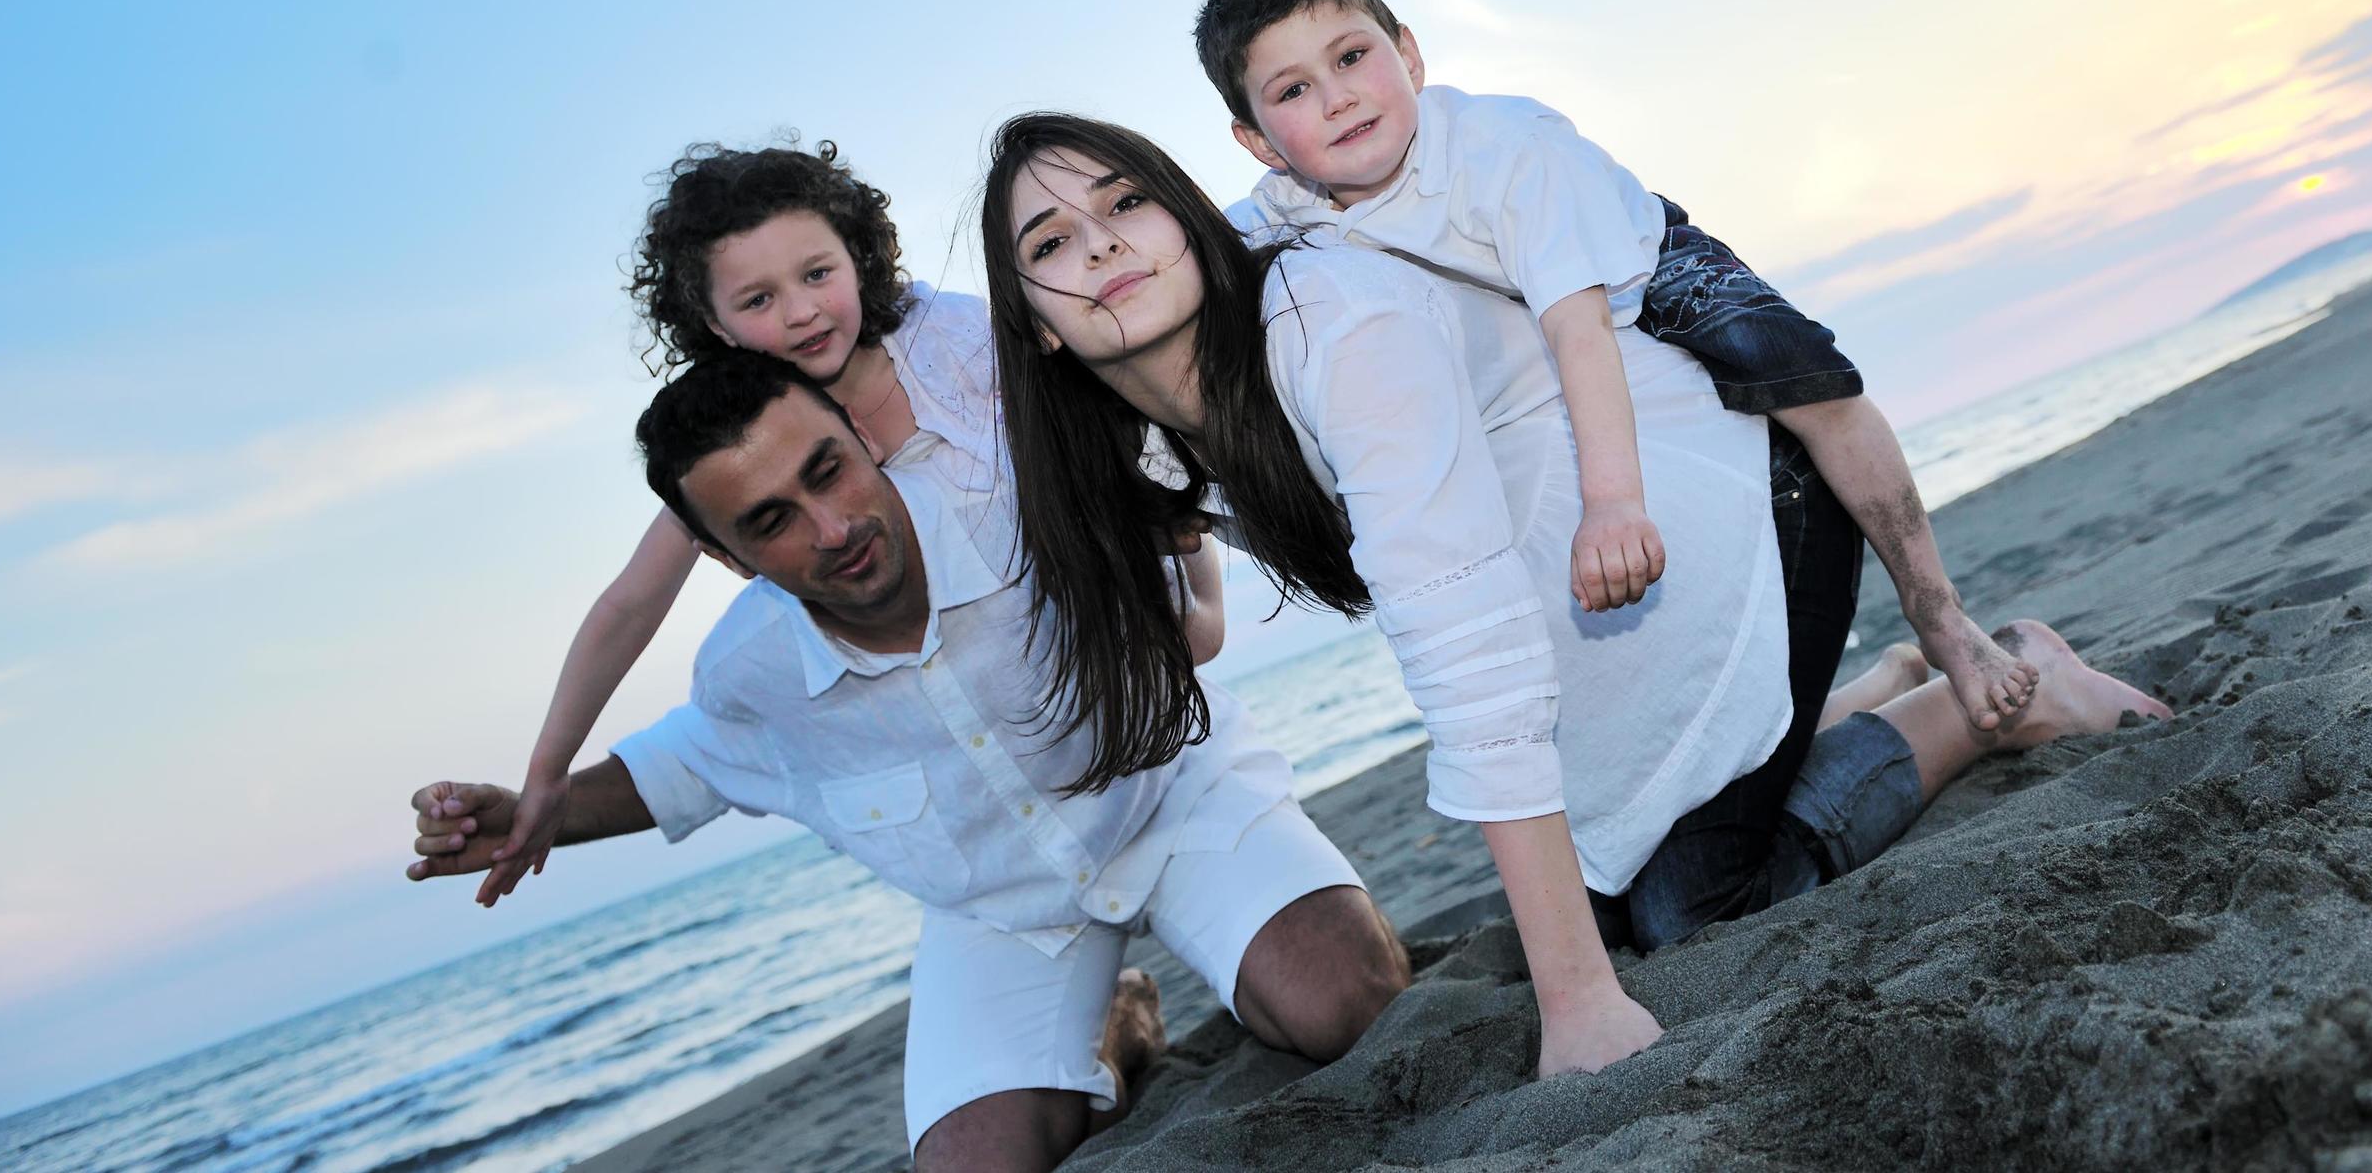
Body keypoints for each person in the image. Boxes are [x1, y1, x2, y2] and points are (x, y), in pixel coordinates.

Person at [977, 113, 2169, 1056]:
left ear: (1185, 216)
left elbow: (1464, 643)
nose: (1101, 245)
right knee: (1610, 893)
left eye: (1126, 200)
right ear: (1032, 324)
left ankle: (1984, 697)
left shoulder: (1331, 328)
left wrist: (1576, 1004)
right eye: (1049, 243)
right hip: (1589, 602)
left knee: (1690, 914)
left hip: (1717, 501)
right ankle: (1858, 696)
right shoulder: (1143, 445)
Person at [406, 351, 1408, 1173]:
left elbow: (1193, 497)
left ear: (861, 436)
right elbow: (680, 768)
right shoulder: (749, 675)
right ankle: (1116, 1026)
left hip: (1173, 797)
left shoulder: (1019, 503)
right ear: (727, 559)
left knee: (1343, 1004)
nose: (830, 527)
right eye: (770, 521)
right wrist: (533, 813)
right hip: (1003, 909)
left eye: (826, 469)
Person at [1191, 0, 2037, 740]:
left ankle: (1940, 614)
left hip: (1637, 267)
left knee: (1811, 385)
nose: (1337, 97)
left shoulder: (1505, 148)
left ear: (1409, 54)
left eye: (1350, 56)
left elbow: (1579, 325)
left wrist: (1614, 507)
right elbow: (1180, 283)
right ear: (1258, 142)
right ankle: (1877, 688)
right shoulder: (1272, 221)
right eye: (1292, 91)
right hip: (1525, 340)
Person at [478, 139, 1004, 903]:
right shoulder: (752, 446)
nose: (801, 312)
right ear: (716, 326)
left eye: (817, 273)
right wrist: (547, 771)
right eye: (757, 300)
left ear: (857, 256)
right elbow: (628, 605)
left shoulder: (950, 340)